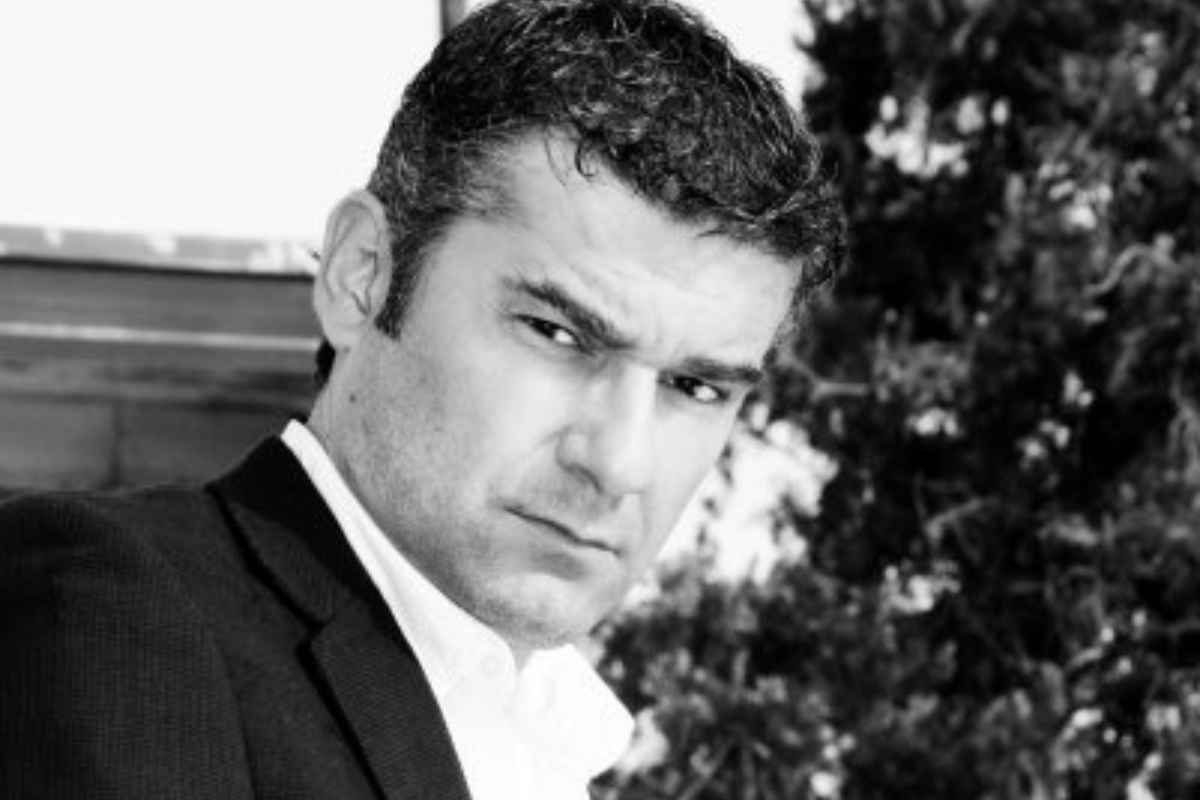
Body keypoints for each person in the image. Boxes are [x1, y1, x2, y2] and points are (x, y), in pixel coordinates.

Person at [0, 0, 844, 798]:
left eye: (695, 387)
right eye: (557, 334)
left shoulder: (555, 742)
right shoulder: (115, 609)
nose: (619, 462)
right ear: (361, 273)